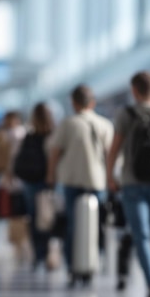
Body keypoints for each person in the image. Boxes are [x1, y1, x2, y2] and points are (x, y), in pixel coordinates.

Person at [106, 71, 150, 297]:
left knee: (141, 235)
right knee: (145, 234)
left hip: (132, 182)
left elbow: (115, 149)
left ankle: (128, 252)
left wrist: (110, 176)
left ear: (134, 90)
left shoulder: (126, 114)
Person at [47, 84, 113, 285]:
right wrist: (111, 180)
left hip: (71, 181)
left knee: (72, 226)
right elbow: (110, 155)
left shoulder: (68, 124)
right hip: (98, 182)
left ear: (73, 103)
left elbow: (55, 152)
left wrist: (51, 175)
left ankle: (72, 268)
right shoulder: (105, 125)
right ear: (92, 103)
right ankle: (93, 264)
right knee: (97, 225)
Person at [14, 102, 55, 269]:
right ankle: (48, 254)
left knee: (33, 218)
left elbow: (18, 159)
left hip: (30, 182)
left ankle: (38, 255)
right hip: (48, 182)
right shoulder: (54, 135)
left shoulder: (29, 136)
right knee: (48, 219)